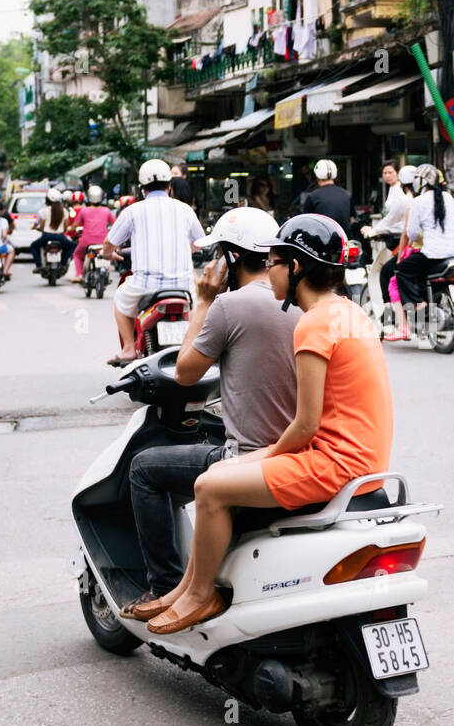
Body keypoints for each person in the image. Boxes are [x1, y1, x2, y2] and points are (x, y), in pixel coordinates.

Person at [139, 214, 393, 634]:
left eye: (273, 262)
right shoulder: (350, 312)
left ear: (295, 267)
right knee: (219, 469)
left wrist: (257, 458)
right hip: (365, 460)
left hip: (333, 464)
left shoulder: (313, 323)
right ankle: (183, 590)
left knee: (208, 485)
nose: (267, 272)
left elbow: (305, 424)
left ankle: (202, 595)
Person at [119, 207, 299, 622]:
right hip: (299, 454)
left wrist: (202, 301)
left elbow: (184, 373)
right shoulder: (302, 302)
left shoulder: (228, 306)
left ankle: (166, 586)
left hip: (251, 457)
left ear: (230, 258)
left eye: (218, 253)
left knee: (144, 468)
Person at [102, 158, 204, 366]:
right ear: (169, 187)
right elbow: (200, 242)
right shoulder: (185, 210)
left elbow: (109, 243)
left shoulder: (132, 211)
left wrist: (108, 255)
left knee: (121, 298)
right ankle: (196, 348)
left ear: (142, 189)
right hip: (183, 286)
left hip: (145, 286)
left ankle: (129, 348)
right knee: (198, 309)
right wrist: (190, 248)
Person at [396, 164, 454, 337]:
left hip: (433, 253)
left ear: (421, 182)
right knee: (423, 274)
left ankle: (419, 303)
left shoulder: (418, 201)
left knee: (402, 270)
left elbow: (411, 232)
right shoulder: (448, 197)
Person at [378, 164, 417, 341]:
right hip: (447, 250)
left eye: (390, 172)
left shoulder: (408, 200)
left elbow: (408, 232)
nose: (387, 176)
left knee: (390, 275)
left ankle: (399, 324)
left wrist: (401, 255)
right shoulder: (444, 197)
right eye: (384, 173)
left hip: (414, 247)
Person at [72, 185, 116, 281]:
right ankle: (106, 273)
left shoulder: (84, 211)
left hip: (86, 241)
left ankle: (79, 274)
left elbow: (75, 225)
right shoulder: (107, 211)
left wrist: (70, 229)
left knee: (77, 255)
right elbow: (115, 224)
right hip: (103, 242)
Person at [30, 188, 76, 275]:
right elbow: (66, 226)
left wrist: (38, 228)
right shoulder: (64, 211)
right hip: (60, 236)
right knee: (72, 246)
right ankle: (63, 263)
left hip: (46, 236)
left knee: (34, 246)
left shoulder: (43, 211)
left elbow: (42, 225)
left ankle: (39, 265)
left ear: (47, 200)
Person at [301, 158, 352, 231]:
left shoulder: (313, 197)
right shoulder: (347, 195)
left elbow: (305, 222)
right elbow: (352, 219)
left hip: (321, 241)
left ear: (317, 176)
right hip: (344, 240)